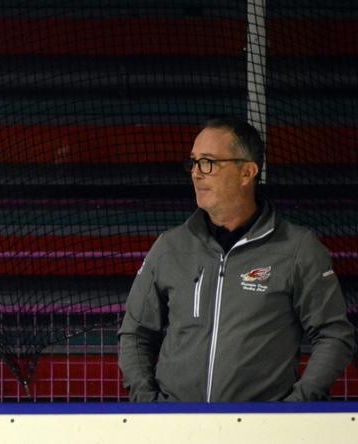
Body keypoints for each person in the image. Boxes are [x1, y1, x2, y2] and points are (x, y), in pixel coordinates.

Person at [118, 118, 355, 402]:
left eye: (208, 162)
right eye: (193, 162)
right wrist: (148, 405)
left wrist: (293, 409)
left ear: (247, 172)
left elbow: (333, 334)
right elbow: (135, 333)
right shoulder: (169, 247)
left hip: (261, 426)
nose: (196, 173)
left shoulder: (297, 248)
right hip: (176, 424)